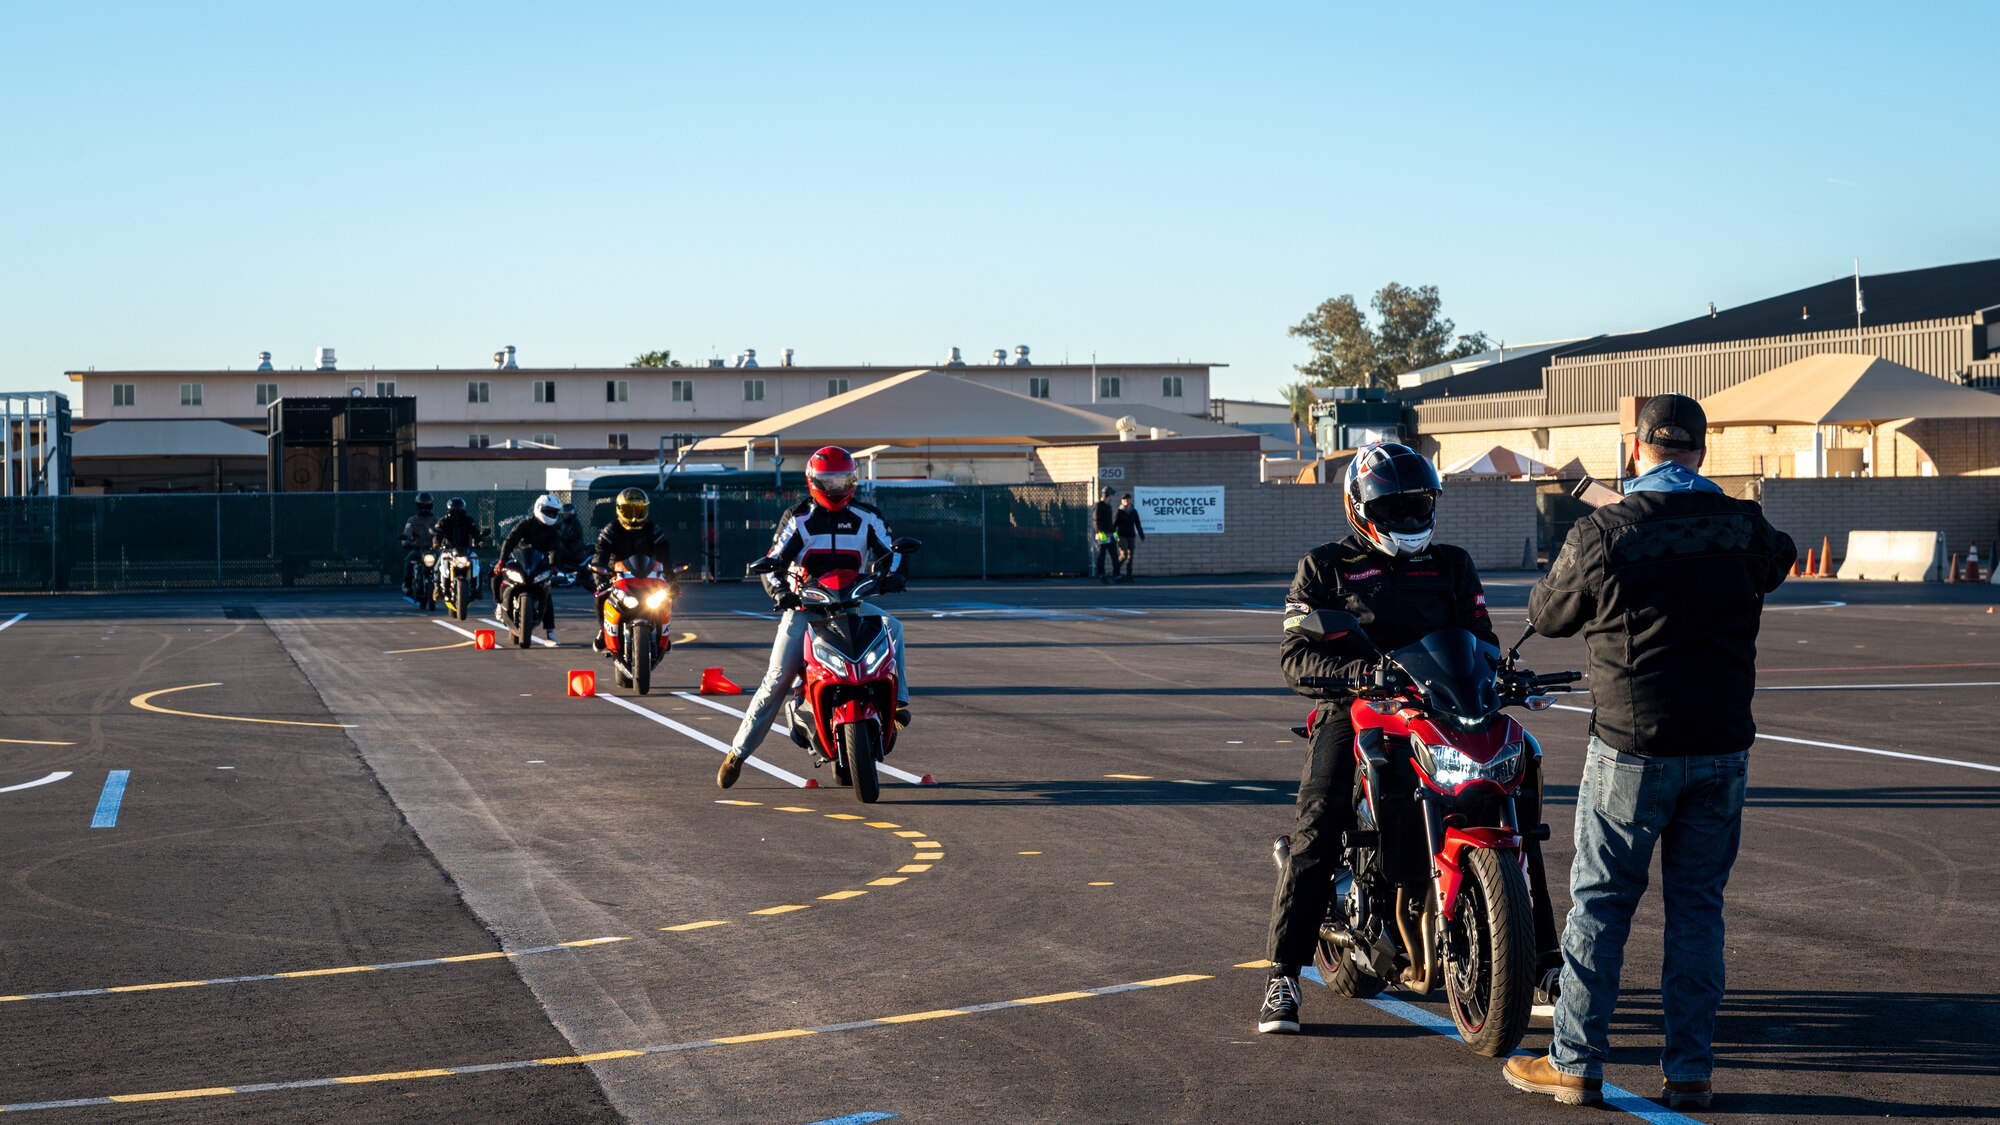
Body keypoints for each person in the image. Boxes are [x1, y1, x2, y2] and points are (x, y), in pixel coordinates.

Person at [1503, 395, 1795, 1110]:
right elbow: (1780, 558)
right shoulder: (1741, 524)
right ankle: (1689, 1067)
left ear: (1638, 451)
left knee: (1601, 906)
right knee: (1698, 910)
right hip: (1723, 744)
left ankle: (1575, 1061)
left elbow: (1547, 613)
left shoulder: (1606, 529)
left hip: (1632, 746)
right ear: (1701, 450)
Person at [1260, 441, 1529, 1034]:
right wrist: (1358, 674)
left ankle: (1545, 956)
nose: (1409, 520)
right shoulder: (1325, 566)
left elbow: (1479, 639)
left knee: (1521, 758)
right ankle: (1283, 975)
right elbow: (1294, 656)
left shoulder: (1452, 564)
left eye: (1418, 506)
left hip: (1442, 709)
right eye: (1395, 508)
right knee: (1319, 822)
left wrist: (1506, 675)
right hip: (1355, 709)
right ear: (1360, 506)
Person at [717, 446, 910, 789]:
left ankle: (897, 705)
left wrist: (894, 574)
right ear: (812, 481)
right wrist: (780, 593)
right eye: (828, 481)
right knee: (776, 679)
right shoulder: (798, 518)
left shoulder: (868, 517)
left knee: (893, 626)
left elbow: (891, 552)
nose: (835, 488)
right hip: (806, 609)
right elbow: (772, 561)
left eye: (842, 480)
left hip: (852, 603)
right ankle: (737, 753)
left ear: (853, 481)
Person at [591, 488, 676, 652]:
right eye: (629, 511)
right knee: (600, 597)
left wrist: (671, 578)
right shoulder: (611, 529)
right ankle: (604, 630)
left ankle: (663, 632)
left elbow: (665, 553)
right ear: (620, 510)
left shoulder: (652, 529)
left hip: (649, 575)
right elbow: (600, 553)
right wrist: (600, 579)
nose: (634, 516)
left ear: (646, 510)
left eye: (638, 511)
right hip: (617, 576)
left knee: (668, 596)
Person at [493, 492, 565, 643]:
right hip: (520, 561)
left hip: (540, 563)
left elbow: (555, 549)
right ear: (539, 508)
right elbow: (510, 540)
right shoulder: (525, 524)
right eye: (549, 511)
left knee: (547, 592)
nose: (552, 514)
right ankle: (499, 604)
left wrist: (554, 567)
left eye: (554, 512)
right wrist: (502, 561)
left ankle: (550, 633)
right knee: (495, 575)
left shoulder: (552, 530)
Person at [399, 491, 437, 597]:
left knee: (442, 563)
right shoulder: (412, 520)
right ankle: (406, 585)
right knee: (409, 561)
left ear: (431, 505)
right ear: (418, 505)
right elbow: (407, 532)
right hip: (418, 550)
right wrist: (406, 541)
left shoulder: (436, 520)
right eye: (422, 505)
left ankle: (442, 586)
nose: (425, 507)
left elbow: (442, 532)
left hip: (432, 550)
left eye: (427, 505)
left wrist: (444, 541)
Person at [1113, 493, 1145, 583]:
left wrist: (1141, 535)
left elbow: (1137, 524)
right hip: (1122, 536)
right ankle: (1116, 571)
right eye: (1124, 499)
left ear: (1130, 500)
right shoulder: (1119, 511)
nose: (1126, 501)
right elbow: (1114, 525)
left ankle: (1129, 575)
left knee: (1130, 556)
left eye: (1127, 499)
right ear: (1121, 501)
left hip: (1131, 536)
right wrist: (1116, 537)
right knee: (1124, 555)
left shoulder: (1133, 511)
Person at [1093, 486, 1120, 583]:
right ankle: (1101, 575)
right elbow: (1096, 520)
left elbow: (1110, 522)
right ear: (1106, 495)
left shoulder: (1109, 506)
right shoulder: (1099, 505)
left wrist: (1115, 535)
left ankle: (1117, 575)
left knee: (1114, 556)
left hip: (1110, 534)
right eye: (1111, 495)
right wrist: (1100, 533)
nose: (1112, 497)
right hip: (1102, 535)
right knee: (1101, 556)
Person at [557, 501, 588, 571]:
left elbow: (568, 537)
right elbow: (556, 526)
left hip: (573, 549)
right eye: (564, 513)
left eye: (568, 513)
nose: (565, 515)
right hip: (567, 546)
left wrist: (558, 536)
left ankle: (558, 568)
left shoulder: (575, 523)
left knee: (558, 548)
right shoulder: (563, 523)